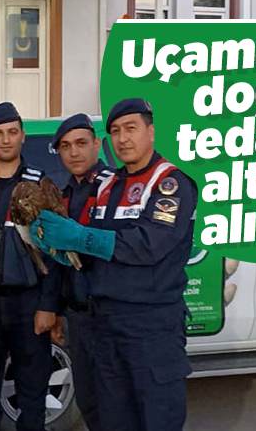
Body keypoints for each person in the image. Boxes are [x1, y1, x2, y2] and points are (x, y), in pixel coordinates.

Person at [30, 99, 197, 431]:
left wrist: (79, 237)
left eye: (131, 129)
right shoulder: (108, 185)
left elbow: (149, 245)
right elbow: (88, 252)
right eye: (116, 131)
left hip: (150, 324)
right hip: (106, 322)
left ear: (150, 131)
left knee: (157, 417)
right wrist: (57, 244)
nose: (122, 139)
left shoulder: (170, 183)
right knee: (112, 419)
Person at [0, 102, 61, 431]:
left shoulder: (40, 184)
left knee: (32, 393)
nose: (5, 140)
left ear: (23, 136)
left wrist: (48, 304)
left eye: (12, 132)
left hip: (29, 303)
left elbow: (54, 252)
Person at [50, 113, 115, 431]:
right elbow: (58, 263)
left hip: (111, 315)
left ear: (97, 145)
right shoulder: (62, 196)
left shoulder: (115, 189)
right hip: (79, 316)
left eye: (80, 143)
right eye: (65, 146)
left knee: (116, 403)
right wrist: (60, 311)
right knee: (89, 402)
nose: (74, 152)